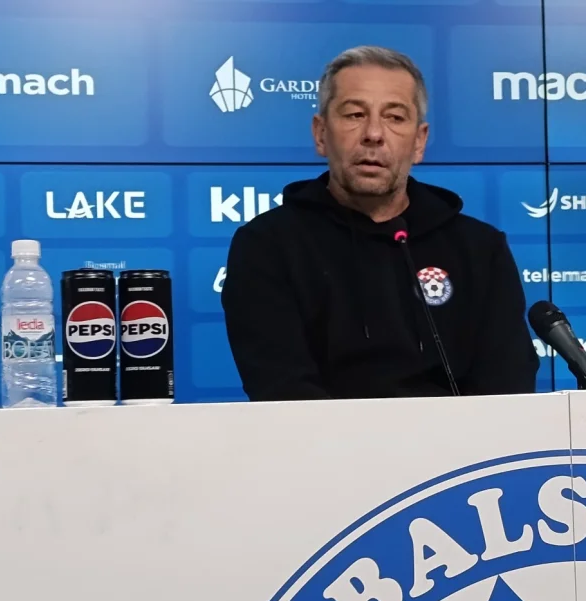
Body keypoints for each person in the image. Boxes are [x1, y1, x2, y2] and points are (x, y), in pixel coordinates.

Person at [220, 45, 539, 401]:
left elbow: (507, 387)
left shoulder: (480, 248)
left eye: (395, 117)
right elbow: (283, 392)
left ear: (419, 142)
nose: (373, 133)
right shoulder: (267, 245)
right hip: (321, 437)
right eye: (355, 114)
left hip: (463, 438)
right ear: (321, 134)